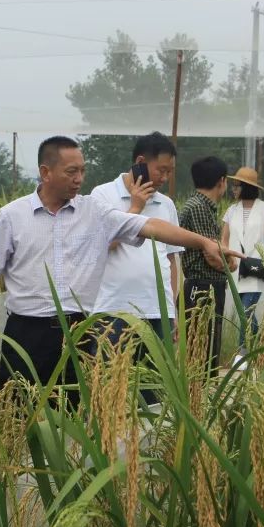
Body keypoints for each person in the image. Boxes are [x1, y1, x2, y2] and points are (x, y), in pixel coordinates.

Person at [0, 136, 241, 394]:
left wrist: (204, 243)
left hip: (79, 332)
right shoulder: (12, 216)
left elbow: (150, 226)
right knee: (18, 412)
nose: (79, 179)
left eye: (83, 171)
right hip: (27, 333)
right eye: (71, 172)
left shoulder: (93, 211)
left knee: (75, 417)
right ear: (46, 172)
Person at [90, 132, 181, 403]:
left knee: (154, 394)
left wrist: (172, 307)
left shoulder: (167, 205)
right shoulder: (102, 195)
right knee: (111, 392)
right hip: (113, 312)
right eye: (161, 169)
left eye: (169, 171)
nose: (165, 177)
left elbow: (172, 260)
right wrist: (136, 207)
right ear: (141, 162)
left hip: (157, 313)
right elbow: (100, 246)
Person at [179, 156, 237, 375]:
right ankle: (199, 398)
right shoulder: (198, 208)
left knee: (208, 346)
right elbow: (213, 255)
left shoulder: (201, 206)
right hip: (203, 286)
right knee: (202, 351)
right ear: (221, 181)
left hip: (207, 285)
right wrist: (231, 264)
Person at [220, 167, 264, 353]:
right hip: (236, 267)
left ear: (246, 187)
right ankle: (259, 343)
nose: (233, 189)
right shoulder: (231, 211)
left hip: (257, 266)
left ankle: (243, 352)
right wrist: (225, 258)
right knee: (243, 311)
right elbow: (224, 239)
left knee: (246, 310)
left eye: (237, 186)